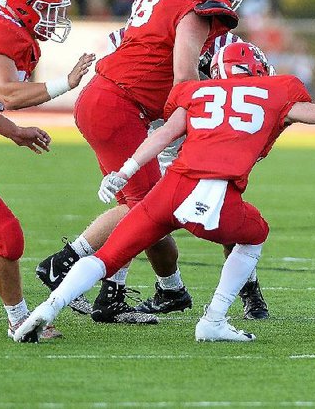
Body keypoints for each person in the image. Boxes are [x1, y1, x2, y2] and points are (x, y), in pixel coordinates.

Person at [13, 42, 315, 342]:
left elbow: (164, 134)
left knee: (107, 258)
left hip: (170, 189)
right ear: (258, 70)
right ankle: (215, 320)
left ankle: (43, 312)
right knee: (255, 232)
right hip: (212, 196)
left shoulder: (197, 92)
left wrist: (125, 171)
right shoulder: (277, 91)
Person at [35, 0, 244, 324]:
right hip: (119, 105)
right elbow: (183, 76)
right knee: (146, 207)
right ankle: (63, 264)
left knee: (139, 205)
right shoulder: (197, 6)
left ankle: (117, 296)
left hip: (107, 97)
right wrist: (207, 112)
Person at [106, 26, 271, 320]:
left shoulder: (226, 41)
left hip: (208, 138)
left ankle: (249, 293)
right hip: (161, 132)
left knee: (225, 216)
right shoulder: (138, 38)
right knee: (141, 213)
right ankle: (160, 290)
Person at [0, 0, 94, 340]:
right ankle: (20, 321)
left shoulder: (13, 35)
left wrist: (13, 131)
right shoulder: (2, 33)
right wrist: (65, 83)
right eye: (47, 8)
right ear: (22, 7)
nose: (55, 18)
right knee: (5, 236)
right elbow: (6, 93)